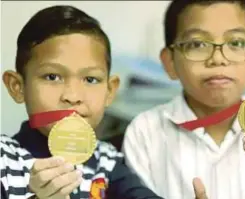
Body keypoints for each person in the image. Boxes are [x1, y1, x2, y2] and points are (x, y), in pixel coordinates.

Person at [122, 0, 245, 199]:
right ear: (170, 62)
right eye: (197, 44)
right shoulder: (144, 133)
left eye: (236, 43)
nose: (217, 58)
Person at [0, 5, 163, 199]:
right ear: (17, 87)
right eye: (52, 77)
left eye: (90, 80)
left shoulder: (107, 161)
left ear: (109, 91)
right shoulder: (4, 158)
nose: (73, 95)